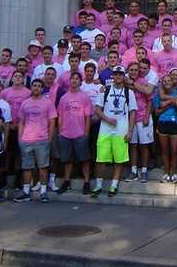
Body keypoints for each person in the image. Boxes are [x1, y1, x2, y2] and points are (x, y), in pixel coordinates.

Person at [91, 66, 137, 197]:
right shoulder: (105, 91)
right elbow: (97, 109)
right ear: (113, 76)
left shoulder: (129, 93)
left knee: (119, 159)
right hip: (105, 130)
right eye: (116, 74)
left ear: (124, 76)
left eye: (120, 74)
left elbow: (132, 113)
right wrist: (107, 119)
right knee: (101, 159)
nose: (118, 76)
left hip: (121, 130)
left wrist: (130, 131)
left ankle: (114, 185)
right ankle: (98, 185)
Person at [12, 79, 57, 203]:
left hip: (42, 139)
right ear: (31, 87)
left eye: (38, 86)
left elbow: (52, 121)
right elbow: (21, 121)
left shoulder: (48, 103)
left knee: (43, 166)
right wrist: (20, 138)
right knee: (26, 167)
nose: (36, 88)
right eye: (34, 85)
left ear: (42, 89)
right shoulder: (25, 103)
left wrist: (49, 137)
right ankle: (26, 191)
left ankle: (43, 191)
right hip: (26, 139)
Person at [55, 72, 93, 195]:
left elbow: (88, 116)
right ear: (69, 81)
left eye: (77, 79)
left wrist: (86, 133)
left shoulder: (84, 97)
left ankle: (86, 182)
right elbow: (60, 115)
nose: (74, 81)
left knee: (84, 160)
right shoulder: (64, 97)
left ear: (80, 82)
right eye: (73, 79)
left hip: (80, 134)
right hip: (65, 134)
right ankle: (66, 181)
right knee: (67, 160)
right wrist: (60, 131)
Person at [123, 62, 154, 183]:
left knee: (144, 145)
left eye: (136, 70)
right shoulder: (123, 82)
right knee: (133, 145)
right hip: (130, 118)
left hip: (142, 117)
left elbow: (150, 100)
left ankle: (144, 171)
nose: (134, 72)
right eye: (131, 70)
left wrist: (147, 116)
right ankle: (134, 170)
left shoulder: (143, 81)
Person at [154, 74, 177, 183]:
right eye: (164, 81)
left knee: (174, 151)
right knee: (165, 151)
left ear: (172, 82)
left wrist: (169, 103)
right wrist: (170, 104)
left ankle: (174, 173)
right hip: (162, 123)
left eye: (168, 80)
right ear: (162, 83)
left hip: (175, 123)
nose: (166, 82)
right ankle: (166, 173)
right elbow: (156, 112)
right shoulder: (158, 96)